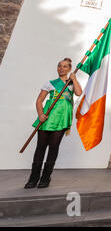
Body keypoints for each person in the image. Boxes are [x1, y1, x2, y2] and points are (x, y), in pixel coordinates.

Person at [25, 58, 83, 189]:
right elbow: (39, 100)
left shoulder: (71, 84)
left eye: (64, 67)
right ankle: (33, 178)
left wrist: (74, 79)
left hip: (61, 119)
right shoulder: (50, 83)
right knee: (40, 148)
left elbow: (79, 93)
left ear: (69, 69)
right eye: (59, 66)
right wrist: (40, 115)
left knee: (53, 148)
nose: (61, 68)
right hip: (47, 118)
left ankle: (45, 177)